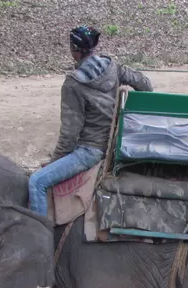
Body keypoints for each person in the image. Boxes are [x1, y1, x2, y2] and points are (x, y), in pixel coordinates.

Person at [28, 25, 154, 216]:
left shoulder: (73, 84)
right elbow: (145, 86)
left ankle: (38, 232)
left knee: (37, 182)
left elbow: (70, 133)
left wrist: (54, 162)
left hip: (90, 151)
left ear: (74, 50)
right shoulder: (112, 66)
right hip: (114, 144)